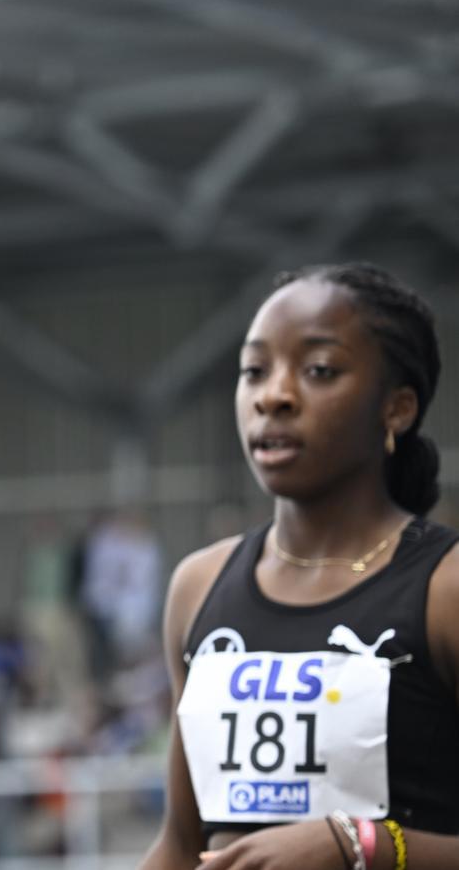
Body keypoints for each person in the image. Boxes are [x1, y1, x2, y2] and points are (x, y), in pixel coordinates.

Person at [141, 263, 459, 869]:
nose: (273, 395)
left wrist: (361, 845)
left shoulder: (446, 587)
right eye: (254, 371)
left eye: (318, 371)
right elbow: (181, 844)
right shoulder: (199, 586)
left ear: (396, 409)